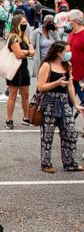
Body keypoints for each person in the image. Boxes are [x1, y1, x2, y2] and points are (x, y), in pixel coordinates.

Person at [37, 42, 84, 173]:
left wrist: (75, 104)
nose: (69, 53)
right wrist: (57, 82)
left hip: (64, 102)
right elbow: (41, 86)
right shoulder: (47, 65)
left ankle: (70, 162)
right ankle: (46, 163)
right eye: (67, 51)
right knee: (48, 134)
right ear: (58, 52)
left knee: (70, 131)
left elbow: (70, 86)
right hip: (50, 101)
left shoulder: (67, 65)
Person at [3, 14, 35, 129]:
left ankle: (26, 117)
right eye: (22, 23)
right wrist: (27, 52)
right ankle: (9, 119)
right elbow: (19, 54)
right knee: (12, 95)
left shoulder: (25, 36)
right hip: (14, 68)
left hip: (23, 67)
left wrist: (25, 52)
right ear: (16, 24)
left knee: (25, 94)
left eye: (25, 23)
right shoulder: (13, 37)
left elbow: (32, 51)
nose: (24, 25)